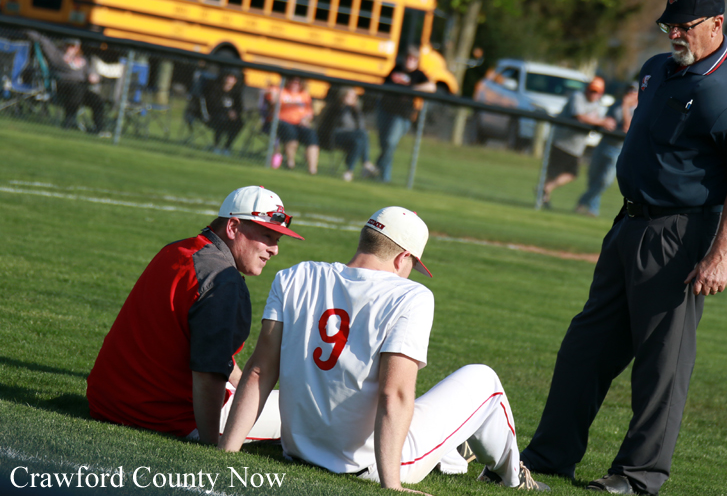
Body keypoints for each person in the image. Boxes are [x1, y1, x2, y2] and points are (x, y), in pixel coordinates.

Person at [520, 0, 727, 496]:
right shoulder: (657, 68)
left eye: (685, 26)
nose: (674, 34)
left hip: (681, 234)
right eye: (668, 25)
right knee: (585, 348)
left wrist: (720, 254)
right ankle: (549, 457)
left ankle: (638, 476)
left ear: (717, 24)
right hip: (629, 224)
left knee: (662, 364)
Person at [219, 206, 548, 492]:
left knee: (402, 406)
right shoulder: (410, 296)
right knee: (484, 380)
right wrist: (392, 487)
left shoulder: (296, 276)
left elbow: (259, 371)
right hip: (371, 463)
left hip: (298, 449)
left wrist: (227, 452)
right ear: (403, 257)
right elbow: (395, 395)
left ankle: (452, 454)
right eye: (412, 265)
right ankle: (511, 476)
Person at [87, 186, 304, 445]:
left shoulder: (177, 250)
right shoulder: (223, 281)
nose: (274, 249)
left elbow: (208, 350)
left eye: (277, 239)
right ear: (233, 227)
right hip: (160, 418)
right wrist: (209, 444)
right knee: (301, 409)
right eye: (267, 236)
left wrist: (242, 385)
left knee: (257, 393)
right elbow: (208, 373)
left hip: (107, 401)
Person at [541, 76, 616, 207]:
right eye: (591, 90)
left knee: (571, 174)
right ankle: (544, 195)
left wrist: (602, 122)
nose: (593, 94)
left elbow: (595, 120)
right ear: (587, 89)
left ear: (601, 94)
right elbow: (580, 116)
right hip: (562, 142)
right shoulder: (578, 97)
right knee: (556, 172)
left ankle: (544, 191)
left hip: (576, 146)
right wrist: (601, 121)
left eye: (596, 92)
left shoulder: (596, 105)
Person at [575, 81, 639, 217]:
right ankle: (592, 210)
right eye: (628, 90)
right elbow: (606, 121)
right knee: (593, 177)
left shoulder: (638, 110)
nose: (629, 94)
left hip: (619, 149)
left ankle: (583, 201)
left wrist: (625, 107)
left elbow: (628, 128)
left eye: (634, 91)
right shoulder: (615, 105)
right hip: (604, 143)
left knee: (605, 181)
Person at [26, 31, 107, 134]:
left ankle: (98, 129)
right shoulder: (56, 55)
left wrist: (93, 78)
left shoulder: (82, 60)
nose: (69, 48)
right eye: (67, 45)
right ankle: (69, 122)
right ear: (63, 45)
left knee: (97, 100)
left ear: (77, 48)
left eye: (72, 46)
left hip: (81, 87)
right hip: (63, 86)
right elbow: (43, 41)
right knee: (76, 90)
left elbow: (90, 74)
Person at [375, 47, 435, 183]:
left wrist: (412, 89)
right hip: (385, 109)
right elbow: (385, 83)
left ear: (417, 61)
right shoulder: (396, 69)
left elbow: (432, 87)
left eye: (413, 59)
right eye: (408, 57)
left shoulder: (418, 75)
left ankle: (382, 174)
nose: (410, 61)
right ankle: (380, 174)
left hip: (401, 115)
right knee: (384, 143)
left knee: (390, 142)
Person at [317, 86, 379, 182]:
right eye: (349, 96)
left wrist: (356, 111)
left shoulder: (356, 110)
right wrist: (346, 107)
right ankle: (366, 162)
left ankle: (349, 172)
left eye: (354, 97)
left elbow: (361, 125)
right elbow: (342, 123)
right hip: (333, 137)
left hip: (351, 138)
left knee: (358, 142)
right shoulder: (335, 108)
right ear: (342, 97)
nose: (352, 99)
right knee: (362, 134)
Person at [262, 76, 320, 174]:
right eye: (292, 81)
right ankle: (290, 163)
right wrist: (272, 93)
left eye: (298, 82)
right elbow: (271, 100)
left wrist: (305, 119)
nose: (295, 84)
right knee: (290, 131)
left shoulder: (304, 95)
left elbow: (309, 113)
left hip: (299, 124)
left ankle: (312, 169)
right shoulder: (279, 90)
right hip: (280, 122)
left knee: (311, 134)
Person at [205, 71, 244, 155]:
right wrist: (227, 112)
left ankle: (227, 147)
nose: (230, 80)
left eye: (233, 78)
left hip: (231, 118)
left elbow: (239, 107)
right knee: (221, 120)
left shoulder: (236, 93)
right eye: (228, 77)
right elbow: (213, 104)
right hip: (216, 115)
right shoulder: (216, 89)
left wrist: (235, 113)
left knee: (239, 123)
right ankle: (216, 145)